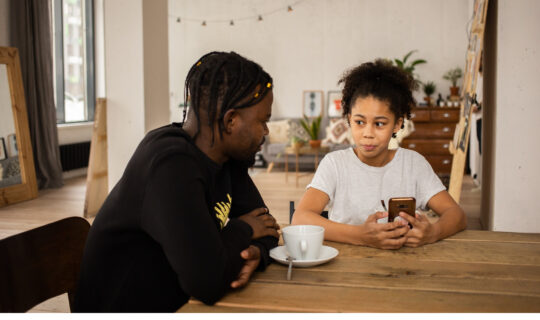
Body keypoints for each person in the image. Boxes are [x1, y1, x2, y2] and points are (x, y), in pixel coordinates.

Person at [74, 52, 280, 312]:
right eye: (263, 121)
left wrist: (257, 254)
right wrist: (243, 230)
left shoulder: (227, 156)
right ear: (230, 121)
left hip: (177, 302)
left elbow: (267, 226)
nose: (266, 131)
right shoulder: (170, 164)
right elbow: (208, 282)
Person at [292, 59, 466, 250]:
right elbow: (300, 218)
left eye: (380, 124)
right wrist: (361, 236)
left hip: (403, 271)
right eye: (359, 122)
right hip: (345, 271)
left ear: (397, 124)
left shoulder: (413, 164)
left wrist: (433, 232)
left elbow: (456, 214)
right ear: (349, 119)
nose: (368, 133)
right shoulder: (335, 164)